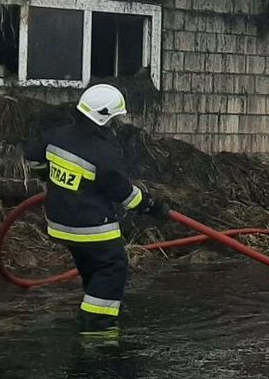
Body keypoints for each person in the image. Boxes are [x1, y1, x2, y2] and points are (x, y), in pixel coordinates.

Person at [22, 84, 169, 334]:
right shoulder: (103, 153)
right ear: (105, 118)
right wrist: (152, 206)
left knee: (92, 267)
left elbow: (33, 157)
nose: (114, 124)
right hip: (92, 228)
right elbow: (124, 195)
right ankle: (97, 328)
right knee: (112, 268)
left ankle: (94, 308)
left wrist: (47, 175)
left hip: (60, 224)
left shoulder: (56, 136)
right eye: (113, 119)